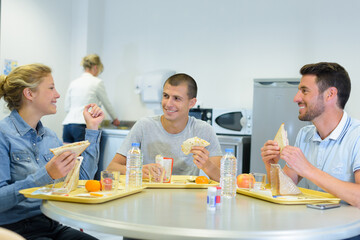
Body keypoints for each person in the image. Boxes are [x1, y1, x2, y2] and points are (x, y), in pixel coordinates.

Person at [0, 63, 104, 239]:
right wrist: (46, 175)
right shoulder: (3, 135)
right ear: (29, 93)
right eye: (51, 88)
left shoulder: (49, 137)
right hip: (12, 230)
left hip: (50, 223)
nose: (57, 94)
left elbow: (82, 179)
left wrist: (92, 129)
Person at [261, 62, 360, 207]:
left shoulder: (357, 136)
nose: (296, 98)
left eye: (304, 91)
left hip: (348, 229)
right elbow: (284, 188)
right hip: (312, 224)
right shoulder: (305, 134)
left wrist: (308, 169)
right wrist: (272, 166)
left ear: (330, 94)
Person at [107, 73, 222, 181]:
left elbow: (222, 179)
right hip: (149, 197)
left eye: (177, 98)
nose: (168, 104)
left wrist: (207, 165)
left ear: (191, 103)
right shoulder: (144, 126)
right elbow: (111, 168)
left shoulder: (203, 130)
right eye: (166, 96)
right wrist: (138, 171)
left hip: (187, 197)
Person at [62, 54, 120, 143]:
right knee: (86, 156)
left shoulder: (74, 82)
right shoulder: (97, 82)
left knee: (68, 156)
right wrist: (115, 119)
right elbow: (106, 103)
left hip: (68, 125)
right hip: (83, 126)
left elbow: (67, 107)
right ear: (96, 67)